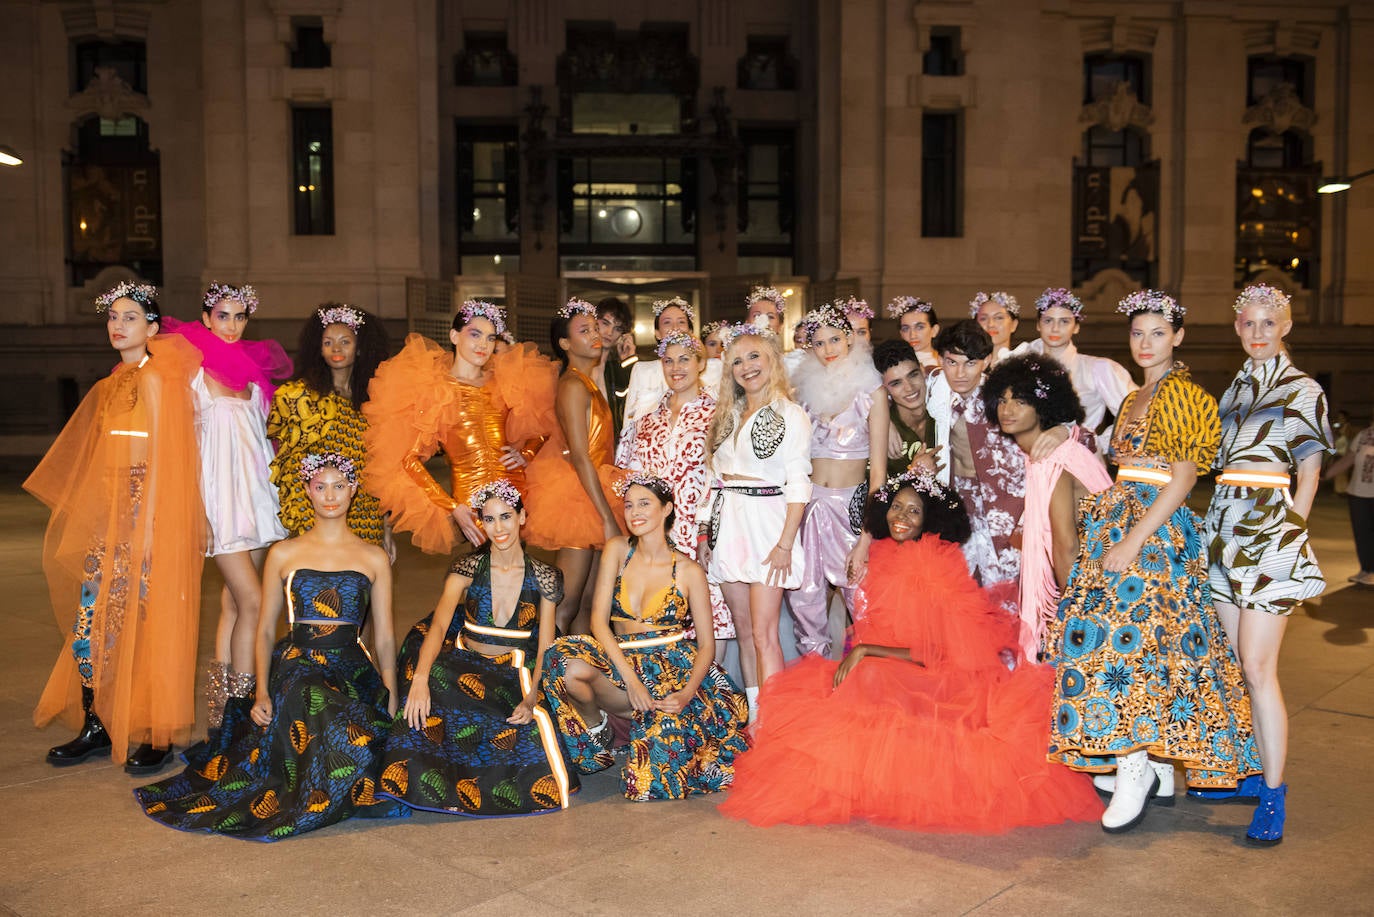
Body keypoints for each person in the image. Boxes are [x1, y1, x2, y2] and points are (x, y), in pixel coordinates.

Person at [718, 470, 1101, 832]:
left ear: (930, 519)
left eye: (913, 510)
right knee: (837, 696)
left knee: (863, 680)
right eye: (896, 507)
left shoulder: (931, 564)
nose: (901, 516)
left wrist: (865, 650)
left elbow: (932, 655)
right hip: (896, 666)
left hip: (936, 679)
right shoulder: (887, 553)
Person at [1046, 290, 1259, 834]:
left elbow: (1184, 478)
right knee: (1142, 644)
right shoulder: (1137, 394)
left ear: (1179, 337)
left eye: (1158, 333)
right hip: (1122, 519)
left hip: (1153, 530)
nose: (1146, 343)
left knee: (1130, 643)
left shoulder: (1182, 395)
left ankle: (1136, 766)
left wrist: (1134, 540)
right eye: (1138, 333)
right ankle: (1155, 766)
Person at [134, 453, 407, 840]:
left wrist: (390, 691)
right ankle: (312, 788)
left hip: (352, 665)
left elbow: (383, 635)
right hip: (298, 662)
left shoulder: (374, 557)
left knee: (359, 729)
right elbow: (264, 630)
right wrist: (261, 691)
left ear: (353, 490)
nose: (330, 496)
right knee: (312, 698)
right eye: (320, 487)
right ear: (307, 491)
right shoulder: (284, 552)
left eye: (339, 487)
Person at [30, 281, 204, 770]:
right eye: (112, 317)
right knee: (95, 621)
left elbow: (165, 461)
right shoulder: (111, 385)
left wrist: (148, 528)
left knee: (149, 623)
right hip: (109, 519)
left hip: (146, 515)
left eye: (130, 317)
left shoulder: (155, 379)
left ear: (152, 328)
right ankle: (98, 723)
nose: (117, 325)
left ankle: (156, 730)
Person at [1197, 283, 1333, 845]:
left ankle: (1273, 795)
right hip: (1225, 526)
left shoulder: (1303, 389)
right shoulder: (1232, 391)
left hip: (1269, 530)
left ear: (1286, 326)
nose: (1257, 333)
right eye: (1248, 324)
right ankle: (1250, 773)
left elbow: (1311, 470)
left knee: (1257, 667)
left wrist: (1292, 531)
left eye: (1267, 324)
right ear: (1237, 328)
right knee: (1235, 662)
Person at [541, 475, 748, 800]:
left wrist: (686, 694)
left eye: (644, 503)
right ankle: (599, 732)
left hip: (670, 673)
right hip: (620, 666)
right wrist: (632, 681)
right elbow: (598, 621)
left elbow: (707, 645)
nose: (634, 512)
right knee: (562, 659)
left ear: (667, 509)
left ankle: (654, 736)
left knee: (649, 782)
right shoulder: (617, 550)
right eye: (629, 505)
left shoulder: (689, 570)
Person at [379, 479, 577, 815]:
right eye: (489, 519)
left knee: (526, 728)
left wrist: (532, 698)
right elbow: (439, 625)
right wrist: (421, 679)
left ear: (522, 517)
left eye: (506, 517)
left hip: (514, 671)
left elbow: (546, 644)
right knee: (432, 682)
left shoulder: (546, 577)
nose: (498, 528)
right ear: (480, 523)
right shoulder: (466, 569)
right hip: (465, 663)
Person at [163, 283, 291, 758]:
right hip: (218, 501)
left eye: (240, 317)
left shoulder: (256, 375)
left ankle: (219, 720)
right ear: (206, 316)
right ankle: (242, 711)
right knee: (255, 601)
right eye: (223, 316)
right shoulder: (191, 369)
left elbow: (264, 440)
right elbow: (177, 440)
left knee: (234, 604)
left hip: (257, 499)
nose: (232, 326)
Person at [363, 300, 548, 555]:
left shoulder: (505, 381)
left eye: (490, 337)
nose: (483, 344)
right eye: (475, 334)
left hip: (516, 493)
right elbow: (409, 459)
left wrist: (526, 453)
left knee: (514, 575)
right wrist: (451, 506)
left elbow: (543, 424)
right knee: (481, 579)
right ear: (454, 336)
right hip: (471, 503)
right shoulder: (437, 389)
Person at [698, 324, 811, 718]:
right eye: (737, 361)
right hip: (729, 525)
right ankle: (756, 716)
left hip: (768, 525)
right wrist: (704, 533)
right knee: (745, 633)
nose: (746, 367)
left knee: (765, 635)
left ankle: (775, 725)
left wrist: (785, 544)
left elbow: (799, 483)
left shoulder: (790, 414)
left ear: (772, 361)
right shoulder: (727, 416)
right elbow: (713, 480)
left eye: (754, 357)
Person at [983, 354, 1111, 663]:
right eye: (1002, 400)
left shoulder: (1050, 458)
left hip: (1097, 583)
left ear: (1043, 406)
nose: (1007, 409)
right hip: (1099, 573)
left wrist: (1073, 614)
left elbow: (1066, 544)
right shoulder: (1048, 451)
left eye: (1020, 401)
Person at [621, 331, 735, 649]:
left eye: (685, 359)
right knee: (657, 633)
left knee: (707, 629)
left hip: (701, 534)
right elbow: (628, 478)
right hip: (655, 539)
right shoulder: (644, 421)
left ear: (700, 364)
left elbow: (724, 479)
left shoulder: (720, 415)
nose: (676, 368)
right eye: (668, 360)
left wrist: (708, 530)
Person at [788, 304, 889, 658]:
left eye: (835, 340)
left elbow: (878, 474)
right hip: (807, 511)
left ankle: (868, 697)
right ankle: (814, 696)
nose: (828, 349)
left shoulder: (871, 391)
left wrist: (865, 539)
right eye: (819, 343)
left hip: (851, 513)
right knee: (806, 609)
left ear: (849, 339)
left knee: (864, 609)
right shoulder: (801, 392)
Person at [522, 298, 625, 634]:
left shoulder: (588, 381)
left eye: (595, 328)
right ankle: (544, 683)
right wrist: (608, 519)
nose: (595, 335)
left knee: (591, 604)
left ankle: (579, 679)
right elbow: (581, 455)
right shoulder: (572, 385)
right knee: (563, 606)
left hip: (597, 492)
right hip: (579, 499)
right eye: (585, 330)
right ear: (565, 344)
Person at [267, 304, 389, 547]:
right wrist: (303, 521)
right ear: (318, 349)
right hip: (318, 514)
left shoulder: (376, 401)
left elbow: (384, 469)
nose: (336, 349)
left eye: (345, 341)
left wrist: (386, 529)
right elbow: (291, 466)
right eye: (328, 342)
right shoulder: (297, 397)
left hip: (366, 514)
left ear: (360, 348)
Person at [1011, 288, 1136, 447]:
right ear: (1038, 325)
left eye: (1064, 321)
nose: (1055, 328)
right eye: (1048, 320)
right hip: (1025, 460)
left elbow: (1135, 416)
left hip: (1076, 461)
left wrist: (1095, 443)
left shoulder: (1098, 369)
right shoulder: (1019, 366)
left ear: (1076, 327)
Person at [616, 297, 722, 463]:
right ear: (657, 333)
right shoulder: (642, 370)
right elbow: (629, 424)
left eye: (681, 322)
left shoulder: (713, 368)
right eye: (667, 322)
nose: (675, 328)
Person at [873, 339, 936, 472]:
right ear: (884, 387)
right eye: (896, 383)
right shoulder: (880, 429)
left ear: (923, 369)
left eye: (913, 375)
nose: (909, 388)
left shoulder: (944, 414)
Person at [1325, 415, 1374, 585]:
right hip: (1358, 493)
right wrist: (1325, 475)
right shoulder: (1364, 435)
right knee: (1362, 533)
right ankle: (1366, 569)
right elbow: (1348, 459)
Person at [596, 297, 637, 439]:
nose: (609, 332)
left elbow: (632, 408)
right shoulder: (579, 364)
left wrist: (629, 359)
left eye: (617, 328)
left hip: (612, 447)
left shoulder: (616, 370)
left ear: (623, 334)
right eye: (605, 323)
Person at [887, 295, 940, 371]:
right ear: (901, 333)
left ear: (934, 330)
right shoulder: (892, 365)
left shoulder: (945, 363)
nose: (912, 335)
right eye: (906, 329)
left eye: (920, 327)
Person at [970, 291, 1019, 365]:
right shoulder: (963, 366)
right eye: (983, 319)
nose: (990, 324)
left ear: (1014, 325)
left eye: (999, 318)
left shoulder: (1024, 364)